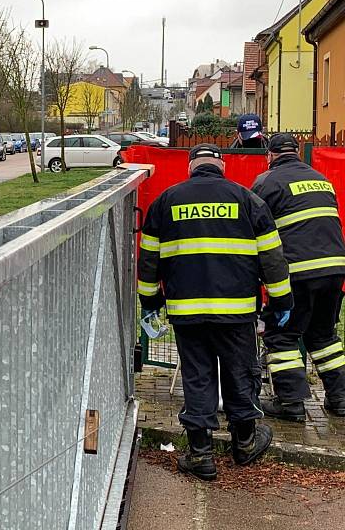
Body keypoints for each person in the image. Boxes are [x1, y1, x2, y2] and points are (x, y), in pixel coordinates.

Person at [137, 143, 293, 481]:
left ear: (190, 168)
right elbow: (272, 258)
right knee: (240, 373)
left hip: (186, 312)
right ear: (222, 168)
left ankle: (201, 454)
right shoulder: (248, 200)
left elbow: (149, 259)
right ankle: (245, 443)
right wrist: (281, 302)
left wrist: (149, 303)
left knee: (197, 376)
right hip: (237, 313)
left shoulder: (166, 201)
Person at [252, 134, 345, 421]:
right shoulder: (321, 179)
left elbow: (253, 226)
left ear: (270, 155)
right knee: (323, 335)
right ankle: (340, 399)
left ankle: (291, 403)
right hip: (334, 269)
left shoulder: (266, 182)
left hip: (298, 272)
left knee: (282, 335)